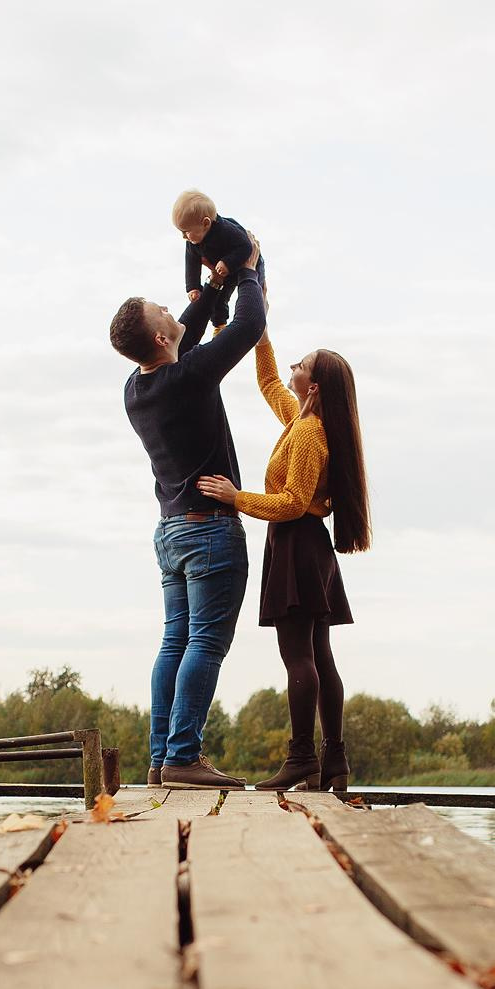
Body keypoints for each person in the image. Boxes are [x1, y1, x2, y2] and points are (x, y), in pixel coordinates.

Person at [108, 240, 267, 788]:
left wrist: (214, 286)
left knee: (174, 640)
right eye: (164, 312)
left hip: (170, 533)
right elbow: (246, 330)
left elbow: (188, 335)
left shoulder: (137, 389)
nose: (174, 311)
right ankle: (183, 755)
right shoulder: (188, 377)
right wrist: (247, 275)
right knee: (203, 643)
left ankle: (160, 759)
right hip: (210, 531)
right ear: (158, 336)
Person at [194, 326, 369, 795]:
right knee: (320, 657)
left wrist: (237, 497)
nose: (293, 366)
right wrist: (259, 334)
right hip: (308, 548)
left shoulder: (310, 433)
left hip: (297, 543)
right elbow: (270, 383)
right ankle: (334, 761)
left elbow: (292, 501)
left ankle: (302, 761)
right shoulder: (302, 419)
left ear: (312, 386)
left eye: (302, 363)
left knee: (300, 658)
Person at [172, 189, 258, 329]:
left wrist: (227, 262)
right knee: (218, 301)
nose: (183, 237)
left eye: (186, 231)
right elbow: (192, 263)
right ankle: (220, 328)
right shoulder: (192, 242)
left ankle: (256, 325)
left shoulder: (226, 231)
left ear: (206, 223)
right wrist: (193, 287)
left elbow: (246, 246)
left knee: (250, 298)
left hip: (244, 263)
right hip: (223, 272)